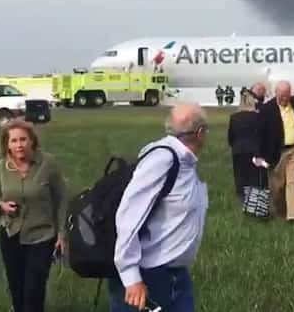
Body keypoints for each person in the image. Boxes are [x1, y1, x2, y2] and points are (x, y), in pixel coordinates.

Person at [110, 104, 209, 312]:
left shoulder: (184, 163)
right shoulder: (163, 160)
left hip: (176, 276)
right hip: (147, 278)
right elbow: (128, 215)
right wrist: (131, 277)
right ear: (200, 133)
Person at [0, 119, 68, 312]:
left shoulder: (48, 163)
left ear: (32, 141)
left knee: (34, 289)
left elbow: (62, 199)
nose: (19, 145)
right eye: (14, 141)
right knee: (16, 289)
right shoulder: (2, 167)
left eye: (23, 139)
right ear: (7, 144)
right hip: (10, 234)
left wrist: (61, 234)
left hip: (41, 236)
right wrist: (1, 206)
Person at [261, 80, 294, 221]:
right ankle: (281, 213)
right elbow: (260, 134)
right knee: (277, 187)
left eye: (287, 95)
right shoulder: (267, 109)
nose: (284, 98)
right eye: (281, 95)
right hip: (276, 152)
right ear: (276, 93)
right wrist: (259, 155)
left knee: (293, 182)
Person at [227, 88, 269, 201]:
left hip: (238, 150)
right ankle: (255, 201)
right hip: (254, 150)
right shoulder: (257, 116)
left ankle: (242, 199)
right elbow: (262, 135)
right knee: (255, 177)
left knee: (240, 176)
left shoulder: (234, 117)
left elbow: (231, 136)